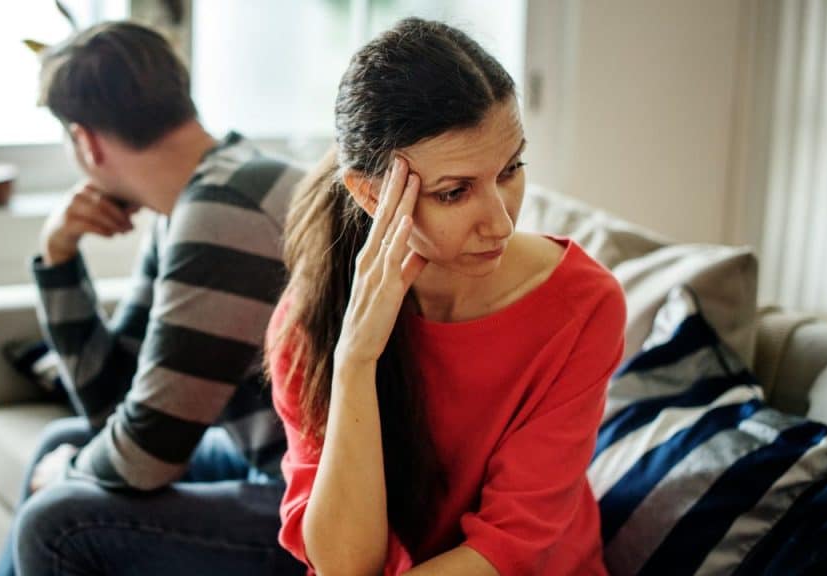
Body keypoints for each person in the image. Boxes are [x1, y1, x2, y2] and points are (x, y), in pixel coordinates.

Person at [267, 17, 626, 576]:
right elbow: (341, 564)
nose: (501, 222)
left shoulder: (583, 305)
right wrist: (355, 362)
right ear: (369, 193)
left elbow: (509, 548)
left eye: (511, 170)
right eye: (455, 192)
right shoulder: (309, 319)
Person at [0, 21, 306, 576]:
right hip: (284, 469)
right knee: (58, 442)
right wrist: (58, 255)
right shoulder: (212, 187)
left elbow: (146, 458)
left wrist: (69, 475)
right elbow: (114, 403)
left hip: (325, 508)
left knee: (58, 521)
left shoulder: (222, 214)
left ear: (86, 141)